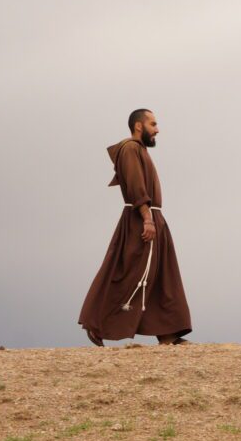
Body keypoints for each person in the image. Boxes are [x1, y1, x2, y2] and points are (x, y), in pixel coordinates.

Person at [78, 109, 192, 346]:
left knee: (161, 276)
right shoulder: (130, 149)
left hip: (153, 217)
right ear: (139, 126)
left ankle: (168, 334)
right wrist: (147, 218)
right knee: (132, 274)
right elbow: (135, 186)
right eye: (153, 124)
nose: (157, 129)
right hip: (141, 220)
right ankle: (97, 323)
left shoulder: (139, 150)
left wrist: (154, 218)